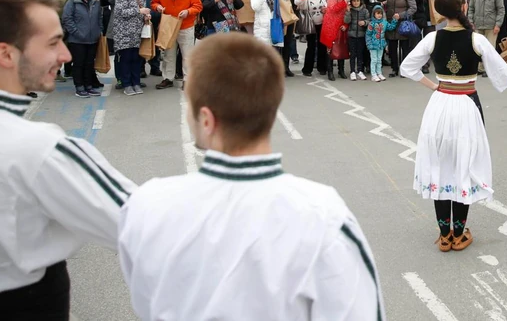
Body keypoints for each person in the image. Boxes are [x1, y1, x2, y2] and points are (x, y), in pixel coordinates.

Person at [118, 33, 384, 321]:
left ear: (206, 120)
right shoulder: (324, 216)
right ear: (272, 107)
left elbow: (146, 303)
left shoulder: (147, 207)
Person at [0, 0, 136, 320]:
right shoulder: (37, 147)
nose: (65, 55)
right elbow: (137, 220)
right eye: (52, 43)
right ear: (6, 54)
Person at [401, 0, 507, 251]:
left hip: (440, 106)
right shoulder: (476, 40)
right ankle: (459, 233)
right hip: (466, 106)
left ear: (439, 11)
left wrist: (435, 86)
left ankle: (444, 235)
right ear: (463, 6)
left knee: (441, 165)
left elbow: (408, 68)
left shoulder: (432, 38)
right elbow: (502, 73)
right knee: (463, 165)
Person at [151, 0, 203, 90]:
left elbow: (198, 6)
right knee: (168, 53)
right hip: (169, 24)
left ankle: (188, 79)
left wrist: (188, 11)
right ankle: (168, 78)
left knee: (187, 54)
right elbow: (154, 3)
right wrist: (158, 7)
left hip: (186, 25)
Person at [62, 0, 104, 98]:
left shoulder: (95, 1)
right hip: (77, 40)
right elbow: (67, 19)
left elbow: (99, 17)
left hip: (93, 38)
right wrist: (77, 33)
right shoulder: (72, 2)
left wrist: (99, 31)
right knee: (79, 63)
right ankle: (79, 87)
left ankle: (89, 86)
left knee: (89, 63)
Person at [112, 0, 153, 96]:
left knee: (136, 59)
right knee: (126, 59)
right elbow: (119, 12)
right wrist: (139, 11)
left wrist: (145, 16)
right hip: (123, 32)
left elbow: (141, 11)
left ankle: (136, 82)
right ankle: (127, 84)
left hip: (137, 32)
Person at [468, 0, 505, 77]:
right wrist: (471, 21)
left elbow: (501, 10)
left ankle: (488, 69)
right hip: (478, 24)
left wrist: (498, 24)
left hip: (491, 25)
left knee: (489, 49)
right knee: (478, 48)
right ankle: (480, 68)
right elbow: (471, 8)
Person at [377, 0, 416, 78]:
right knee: (392, 48)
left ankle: (404, 69)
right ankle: (394, 69)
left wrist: (401, 15)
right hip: (391, 23)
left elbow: (413, 8)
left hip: (403, 24)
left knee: (404, 48)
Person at [296, 0, 328, 77]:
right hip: (310, 23)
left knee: (322, 45)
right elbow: (296, 2)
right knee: (311, 46)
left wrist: (325, 9)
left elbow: (325, 4)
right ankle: (307, 69)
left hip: (321, 22)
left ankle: (322, 67)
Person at [320, 0, 350, 81]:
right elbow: (332, 8)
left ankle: (341, 70)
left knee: (342, 46)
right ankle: (330, 71)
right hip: (332, 24)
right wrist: (344, 2)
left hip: (342, 23)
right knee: (331, 47)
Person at [411, 0, 439, 73]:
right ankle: (417, 64)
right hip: (417, 17)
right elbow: (410, 1)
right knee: (416, 43)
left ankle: (426, 65)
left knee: (429, 43)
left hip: (430, 18)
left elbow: (441, 0)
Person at [275, 0, 299, 73]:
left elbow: (295, 3)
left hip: (289, 18)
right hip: (278, 18)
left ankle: (286, 67)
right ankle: (279, 67)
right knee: (279, 44)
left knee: (288, 42)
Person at [365, 4, 396, 82]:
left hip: (381, 44)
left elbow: (391, 27)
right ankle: (373, 74)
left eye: (380, 13)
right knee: (374, 60)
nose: (379, 15)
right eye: (377, 13)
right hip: (373, 45)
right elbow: (368, 34)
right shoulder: (371, 24)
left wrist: (394, 20)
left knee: (379, 60)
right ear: (374, 14)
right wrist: (369, 44)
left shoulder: (384, 22)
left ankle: (379, 73)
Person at [343, 0, 369, 80]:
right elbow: (346, 21)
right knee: (353, 54)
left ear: (360, 1)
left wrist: (364, 22)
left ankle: (360, 70)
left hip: (361, 35)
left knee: (360, 54)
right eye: (354, 1)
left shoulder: (365, 11)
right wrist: (348, 12)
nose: (356, 3)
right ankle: (352, 71)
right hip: (352, 35)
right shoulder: (350, 10)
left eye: (357, 1)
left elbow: (369, 21)